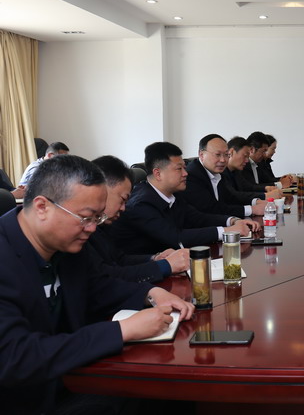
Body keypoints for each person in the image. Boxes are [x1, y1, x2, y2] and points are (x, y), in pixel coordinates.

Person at [0, 154, 194, 414]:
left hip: (71, 376)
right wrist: (122, 331)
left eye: (98, 218)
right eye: (86, 217)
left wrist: (151, 292)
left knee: (171, 389)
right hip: (25, 399)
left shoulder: (64, 245)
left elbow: (98, 287)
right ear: (42, 207)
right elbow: (15, 358)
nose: (92, 229)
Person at [110, 142, 259, 254]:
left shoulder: (173, 195)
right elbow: (175, 238)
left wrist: (232, 220)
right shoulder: (142, 204)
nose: (185, 173)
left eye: (184, 168)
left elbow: (197, 218)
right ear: (158, 174)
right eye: (179, 169)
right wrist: (226, 231)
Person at [88, 155, 190, 283]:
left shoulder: (102, 225)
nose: (123, 208)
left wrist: (155, 258)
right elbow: (107, 275)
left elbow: (120, 259)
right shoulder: (85, 230)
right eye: (122, 200)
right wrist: (166, 265)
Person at [183, 133, 266, 218]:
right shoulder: (191, 176)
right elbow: (211, 209)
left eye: (226, 155)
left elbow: (230, 197)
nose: (223, 160)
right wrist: (251, 209)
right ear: (201, 155)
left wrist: (256, 202)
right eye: (217, 154)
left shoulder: (218, 172)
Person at [223, 136, 283, 202]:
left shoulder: (236, 171)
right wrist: (265, 196)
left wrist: (266, 188)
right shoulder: (221, 173)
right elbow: (234, 196)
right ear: (231, 152)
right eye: (245, 156)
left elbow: (248, 187)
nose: (247, 160)